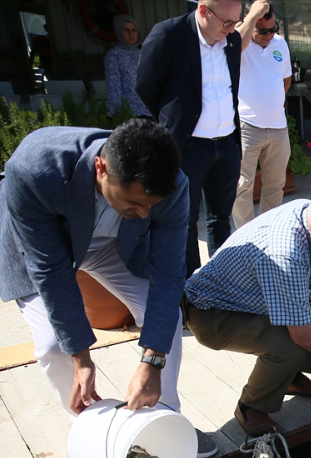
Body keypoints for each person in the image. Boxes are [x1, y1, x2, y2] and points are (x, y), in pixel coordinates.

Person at [0, 119, 218, 458]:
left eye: (150, 206)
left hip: (111, 245)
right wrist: (81, 356)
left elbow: (169, 276)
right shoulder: (36, 169)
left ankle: (166, 418)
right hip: (42, 245)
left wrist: (151, 363)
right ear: (101, 168)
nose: (143, 214)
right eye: (134, 202)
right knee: (54, 346)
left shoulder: (172, 186)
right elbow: (51, 271)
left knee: (166, 317)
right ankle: (88, 433)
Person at [184, 188, 311, 435]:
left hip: (254, 299)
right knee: (291, 343)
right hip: (212, 312)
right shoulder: (284, 253)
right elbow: (303, 335)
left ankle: (290, 377)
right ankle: (251, 408)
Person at [136, 0, 243, 278]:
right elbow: (146, 85)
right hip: (188, 146)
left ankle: (221, 281)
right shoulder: (168, 35)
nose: (232, 29)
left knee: (221, 218)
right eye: (227, 22)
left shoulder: (231, 40)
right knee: (185, 221)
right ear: (204, 10)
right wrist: (172, 121)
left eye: (236, 22)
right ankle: (191, 291)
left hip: (227, 144)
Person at [233, 0, 292, 229]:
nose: (269, 35)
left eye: (273, 29)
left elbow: (285, 80)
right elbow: (233, 44)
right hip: (248, 125)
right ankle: (245, 234)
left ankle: (268, 231)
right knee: (242, 186)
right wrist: (250, 19)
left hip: (278, 126)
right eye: (263, 30)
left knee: (276, 185)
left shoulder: (280, 44)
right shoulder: (241, 42)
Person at [104, 15, 149, 117]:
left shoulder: (144, 53)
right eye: (126, 30)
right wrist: (117, 111)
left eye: (134, 30)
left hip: (149, 110)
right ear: (119, 32)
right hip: (128, 111)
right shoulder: (114, 55)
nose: (131, 34)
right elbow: (113, 85)